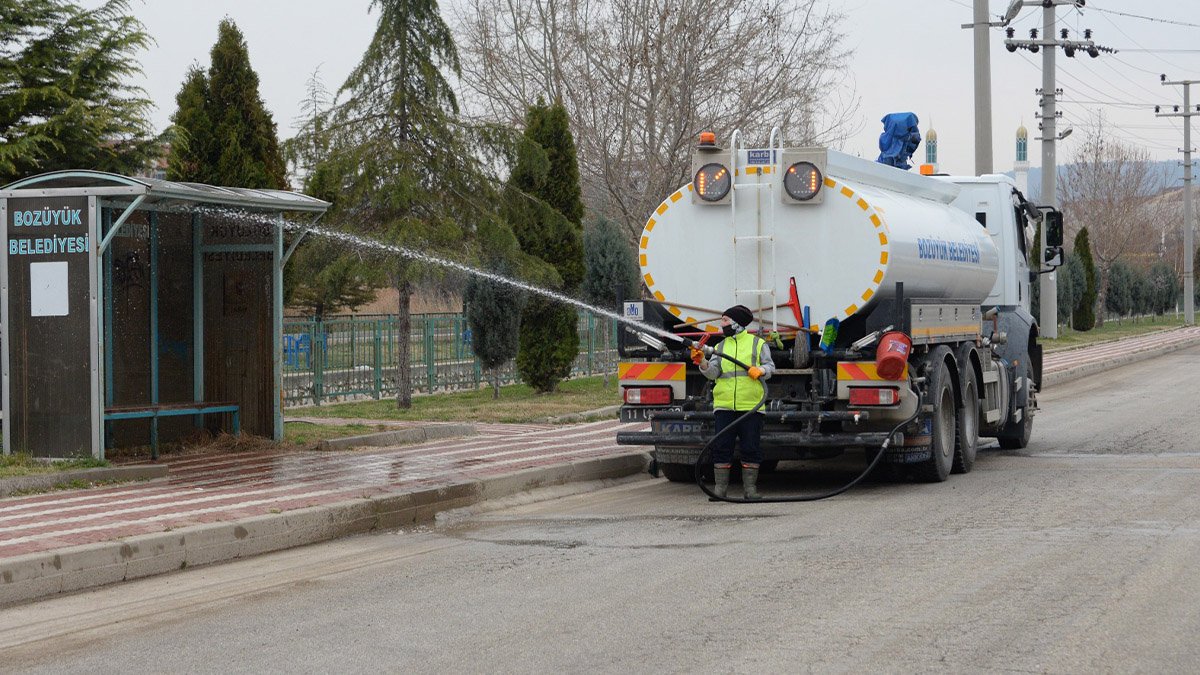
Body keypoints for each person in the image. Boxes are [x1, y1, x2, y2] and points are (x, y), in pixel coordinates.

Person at [690, 304, 775, 499]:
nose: (722, 324)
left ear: (737, 323)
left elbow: (770, 366)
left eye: (725, 320)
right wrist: (702, 362)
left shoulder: (757, 344)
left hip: (751, 406)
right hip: (725, 406)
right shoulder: (721, 347)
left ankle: (750, 490)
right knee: (721, 447)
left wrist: (761, 370)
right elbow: (713, 374)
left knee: (751, 447)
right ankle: (720, 490)